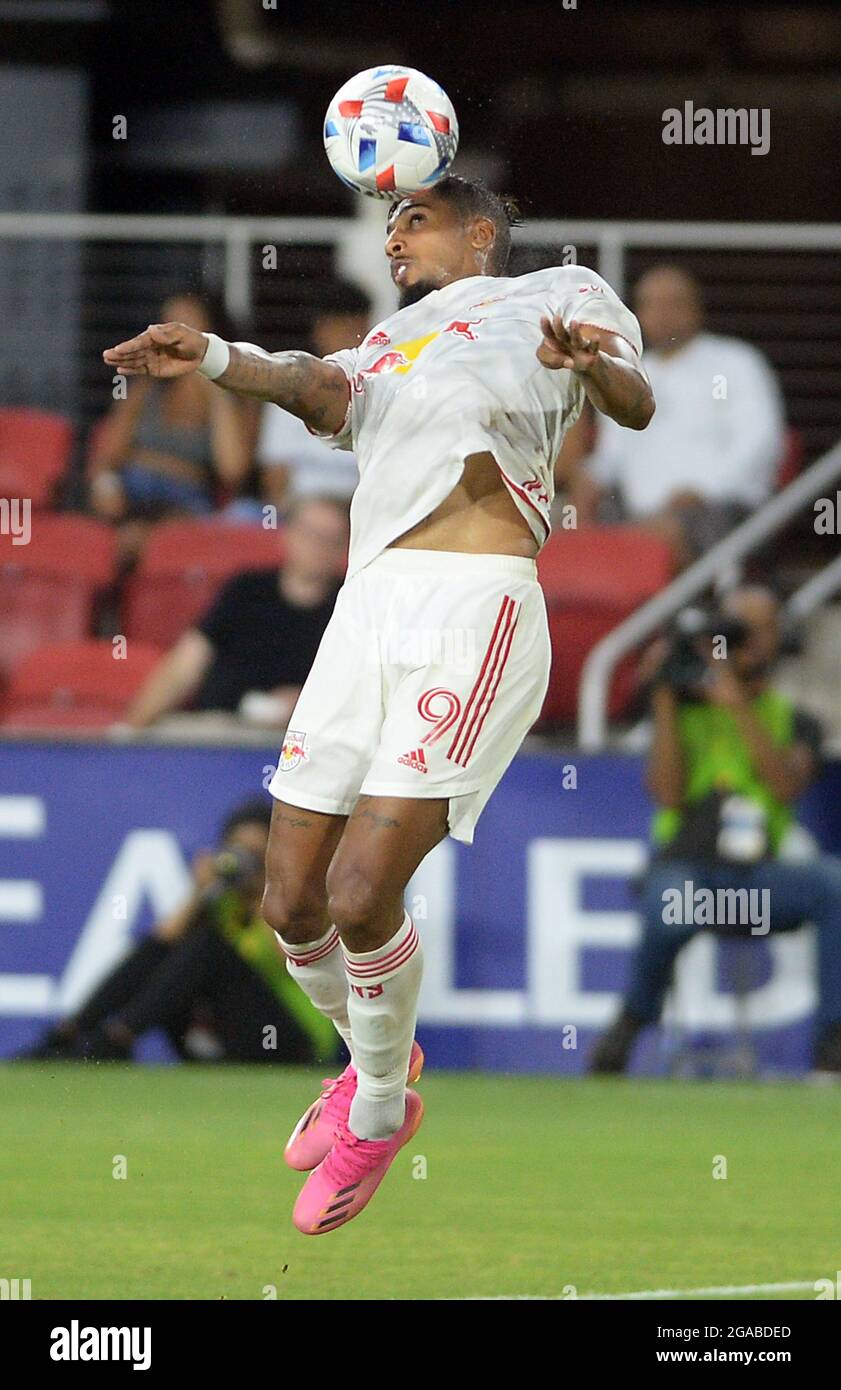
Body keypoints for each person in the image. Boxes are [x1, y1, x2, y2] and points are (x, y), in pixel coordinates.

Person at [103, 173, 654, 1234]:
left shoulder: (557, 292)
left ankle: (383, 1107)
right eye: (388, 222)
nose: (394, 235)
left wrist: (595, 370)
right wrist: (214, 357)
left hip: (475, 604)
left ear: (482, 230)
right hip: (366, 615)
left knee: (362, 894)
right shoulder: (392, 340)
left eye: (416, 216)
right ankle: (374, 1069)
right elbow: (317, 384)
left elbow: (633, 395)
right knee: (288, 902)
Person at [589, 586, 841, 1077]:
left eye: (751, 631)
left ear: (775, 638)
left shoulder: (794, 718)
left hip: (759, 879)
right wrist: (662, 694)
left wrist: (735, 704)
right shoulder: (683, 711)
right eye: (729, 630)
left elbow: (787, 785)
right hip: (689, 871)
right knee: (668, 901)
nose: (737, 643)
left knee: (833, 885)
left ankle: (832, 1043)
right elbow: (666, 793)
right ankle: (629, 1024)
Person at [20, 800, 338, 1066]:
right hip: (229, 1041)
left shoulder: (295, 901)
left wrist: (267, 891)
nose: (247, 863)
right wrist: (198, 892)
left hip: (293, 1044)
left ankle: (118, 1038)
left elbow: (294, 957)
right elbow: (161, 942)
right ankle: (68, 1034)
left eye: (257, 854)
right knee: (168, 950)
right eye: (238, 852)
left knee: (207, 948)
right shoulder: (223, 901)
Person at [568, 266, 784, 566]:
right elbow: (611, 456)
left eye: (673, 304)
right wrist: (589, 476)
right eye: (652, 305)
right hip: (637, 516)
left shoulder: (736, 362)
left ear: (695, 309)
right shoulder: (629, 374)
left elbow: (760, 444)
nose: (662, 314)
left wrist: (703, 490)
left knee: (660, 536)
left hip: (721, 510)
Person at [121, 495, 348, 733]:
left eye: (331, 540)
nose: (319, 547)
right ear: (288, 535)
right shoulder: (246, 589)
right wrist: (130, 729)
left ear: (344, 548)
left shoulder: (350, 606)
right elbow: (184, 666)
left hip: (304, 739)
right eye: (310, 534)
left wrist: (308, 705)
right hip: (220, 728)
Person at [89, 291, 251, 560]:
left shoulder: (235, 396)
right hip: (132, 493)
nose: (172, 334)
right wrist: (105, 484)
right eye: (168, 322)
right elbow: (108, 454)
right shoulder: (146, 385)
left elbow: (232, 471)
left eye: (186, 324)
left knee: (144, 541)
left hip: (187, 501)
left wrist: (213, 382)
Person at [255, 281, 370, 511]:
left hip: (360, 509)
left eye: (358, 330)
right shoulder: (288, 389)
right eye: (342, 329)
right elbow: (275, 476)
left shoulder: (376, 390)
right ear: (321, 330)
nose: (352, 339)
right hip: (303, 508)